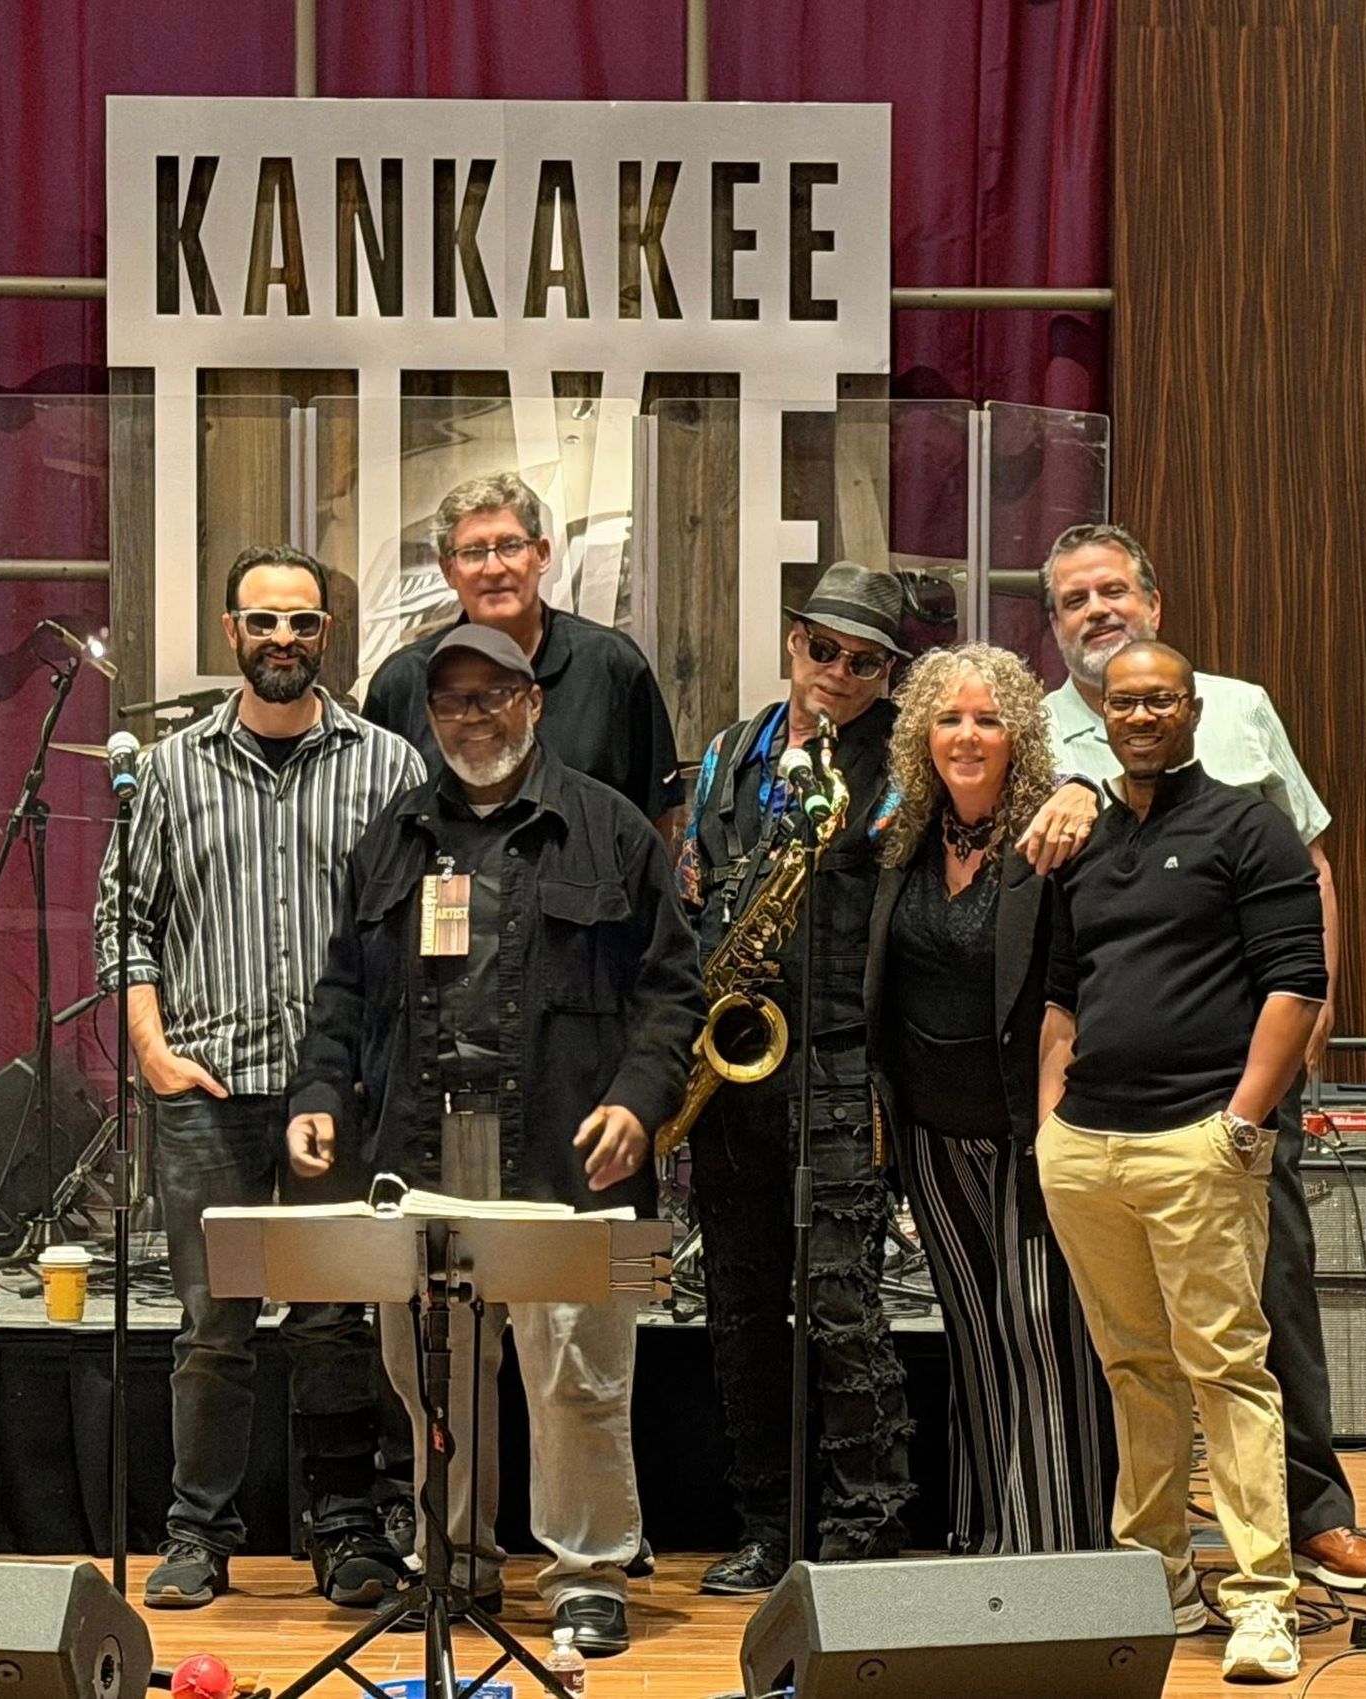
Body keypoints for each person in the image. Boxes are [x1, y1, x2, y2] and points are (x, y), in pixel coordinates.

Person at [286, 624, 701, 1657]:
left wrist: (641, 1103)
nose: (472, 718)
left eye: (493, 696)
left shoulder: (609, 830)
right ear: (429, 717)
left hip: (573, 1155)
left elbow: (672, 993)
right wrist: (319, 1087)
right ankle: (452, 1561)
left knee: (578, 1375)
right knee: (434, 1373)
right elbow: (341, 988)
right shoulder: (392, 837)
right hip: (418, 1154)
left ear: (534, 702)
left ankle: (588, 1571)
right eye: (452, 701)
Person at [1028, 521, 1366, 1592]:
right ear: (1053, 625)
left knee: (1271, 1295)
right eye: (1075, 599)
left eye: (1114, 589)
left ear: (1155, 600)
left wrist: (1310, 1015)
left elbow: (1308, 861)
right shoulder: (1041, 736)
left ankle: (1310, 1513)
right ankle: (1163, 1545)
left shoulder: (1237, 705)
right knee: (1139, 1337)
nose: (1098, 609)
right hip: (1109, 1099)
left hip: (1242, 1068)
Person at [93, 544, 425, 1610]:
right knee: (212, 1324)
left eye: (304, 622)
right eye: (263, 621)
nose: (284, 639)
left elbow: (423, 923)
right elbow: (123, 922)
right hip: (209, 1090)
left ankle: (347, 1532)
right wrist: (150, 1051)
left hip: (339, 1096)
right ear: (231, 631)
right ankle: (197, 1535)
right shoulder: (169, 770)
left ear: (331, 633)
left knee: (334, 1317)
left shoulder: (390, 767)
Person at [1038, 640, 1325, 1685]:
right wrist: (1049, 1128)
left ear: (1194, 709)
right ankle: (1154, 1580)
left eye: (1160, 700)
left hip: (1200, 1144)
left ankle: (1262, 1602)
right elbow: (1065, 994)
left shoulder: (1250, 824)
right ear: (1101, 715)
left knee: (1227, 1369)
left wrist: (1243, 1126)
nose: (1142, 716)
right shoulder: (1091, 836)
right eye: (1125, 703)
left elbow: (1297, 983)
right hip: (1087, 1148)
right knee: (1134, 1371)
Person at [675, 561, 915, 1594]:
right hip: (736, 1068)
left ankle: (864, 1526)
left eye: (866, 661)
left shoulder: (906, 761)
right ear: (792, 640)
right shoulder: (731, 750)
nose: (841, 674)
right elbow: (694, 884)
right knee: (737, 1311)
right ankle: (770, 1524)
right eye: (825, 649)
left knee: (842, 1308)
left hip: (839, 1060)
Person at [864, 643, 1113, 1557]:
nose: (967, 735)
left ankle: (1063, 1550)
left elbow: (1076, 988)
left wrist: (1085, 783)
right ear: (922, 736)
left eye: (987, 718)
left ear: (1020, 734)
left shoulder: (1052, 837)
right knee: (973, 1333)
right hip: (932, 1132)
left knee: (1044, 1331)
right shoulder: (902, 841)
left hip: (1028, 1128)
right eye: (948, 718)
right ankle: (988, 1539)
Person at [365, 470, 684, 836]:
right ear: (447, 569)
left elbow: (657, 822)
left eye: (510, 546)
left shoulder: (612, 666)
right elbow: (382, 835)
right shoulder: (402, 684)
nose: (494, 567)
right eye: (472, 552)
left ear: (542, 554)